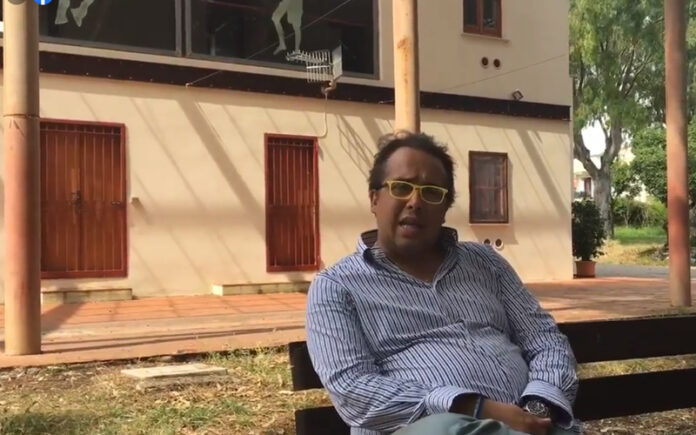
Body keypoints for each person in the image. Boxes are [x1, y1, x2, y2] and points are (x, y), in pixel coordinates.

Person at [306, 132, 580, 435]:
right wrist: (475, 408)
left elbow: (545, 340)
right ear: (374, 199)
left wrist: (535, 411)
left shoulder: (485, 262)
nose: (415, 202)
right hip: (426, 430)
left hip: (530, 427)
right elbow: (353, 389)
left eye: (432, 193)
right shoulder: (338, 286)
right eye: (401, 187)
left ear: (445, 208)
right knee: (443, 428)